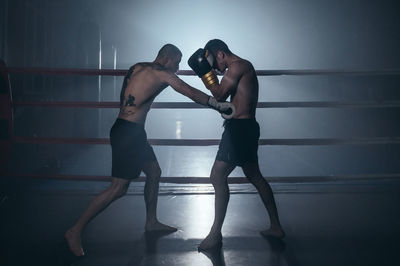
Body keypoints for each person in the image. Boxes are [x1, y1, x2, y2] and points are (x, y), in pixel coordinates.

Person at [65, 44, 234, 256]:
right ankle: (75, 230)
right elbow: (188, 91)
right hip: (128, 133)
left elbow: (128, 99)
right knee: (118, 188)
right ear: (168, 58)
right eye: (177, 62)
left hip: (128, 131)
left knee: (154, 172)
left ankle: (151, 221)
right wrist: (217, 105)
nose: (178, 67)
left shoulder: (137, 67)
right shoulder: (161, 73)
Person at [188, 39, 285, 251]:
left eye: (215, 65)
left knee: (217, 176)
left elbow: (220, 94)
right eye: (212, 69)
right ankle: (276, 226)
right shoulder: (241, 67)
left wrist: (205, 73)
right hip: (242, 128)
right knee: (255, 177)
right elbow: (229, 101)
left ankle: (215, 235)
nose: (216, 70)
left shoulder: (239, 66)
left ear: (220, 54)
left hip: (240, 131)